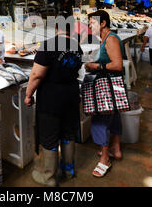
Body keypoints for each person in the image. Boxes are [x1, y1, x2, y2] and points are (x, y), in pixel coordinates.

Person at [24, 15, 83, 187]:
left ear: (56, 27)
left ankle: (49, 178)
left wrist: (28, 95)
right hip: (71, 95)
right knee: (68, 132)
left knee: (49, 135)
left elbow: (36, 75)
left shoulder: (49, 45)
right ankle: (69, 170)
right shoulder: (76, 46)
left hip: (52, 98)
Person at [84, 10, 124, 178]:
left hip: (108, 83)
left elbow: (117, 65)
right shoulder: (106, 39)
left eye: (92, 23)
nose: (89, 26)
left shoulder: (111, 39)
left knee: (99, 119)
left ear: (103, 24)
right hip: (113, 83)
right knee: (113, 116)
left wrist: (95, 66)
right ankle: (116, 149)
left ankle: (105, 159)